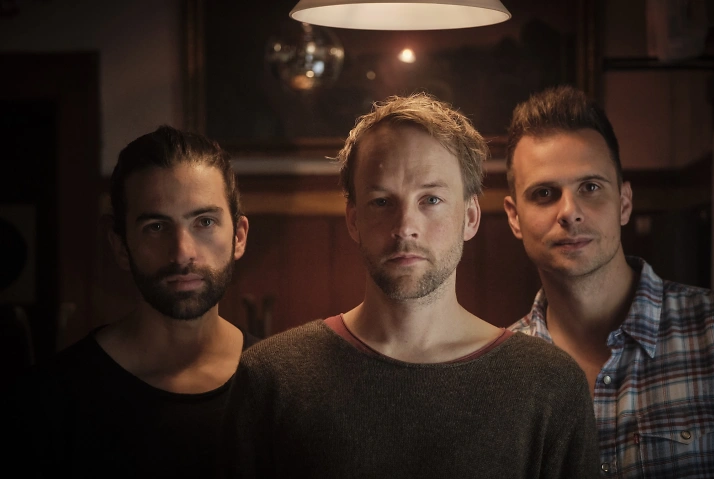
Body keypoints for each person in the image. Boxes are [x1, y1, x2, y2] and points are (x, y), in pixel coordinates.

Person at [221, 93, 600, 479]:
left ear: (470, 217)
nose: (405, 227)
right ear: (353, 219)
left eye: (431, 199)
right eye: (381, 201)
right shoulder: (272, 377)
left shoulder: (548, 383)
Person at [503, 85, 714, 478]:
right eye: (545, 193)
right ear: (514, 217)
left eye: (590, 187)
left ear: (624, 203)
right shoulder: (496, 375)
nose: (569, 212)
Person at [4, 125, 256, 478]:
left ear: (238, 237)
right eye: (156, 227)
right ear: (121, 245)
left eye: (204, 222)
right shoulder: (50, 400)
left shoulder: (279, 383)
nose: (182, 252)